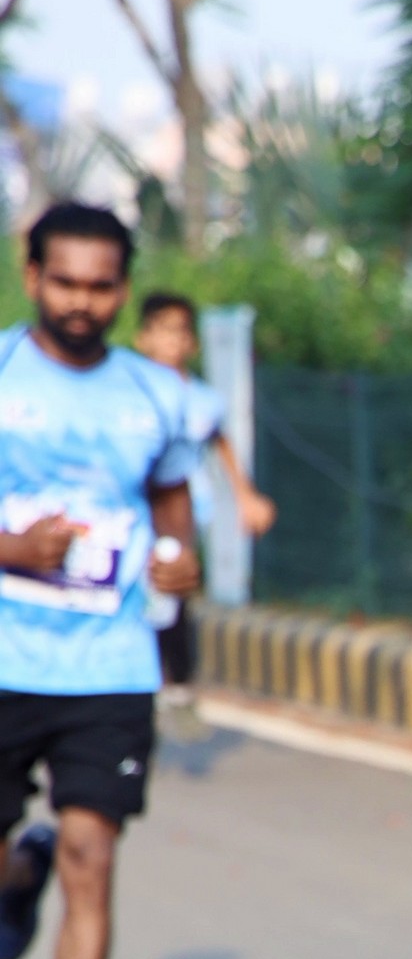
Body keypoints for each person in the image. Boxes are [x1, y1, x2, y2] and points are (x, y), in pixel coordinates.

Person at [0, 203, 203, 959]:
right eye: (65, 283)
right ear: (32, 276)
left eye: (101, 286)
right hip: (6, 657)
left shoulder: (155, 395)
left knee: (95, 855)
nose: (82, 303)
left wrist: (179, 561)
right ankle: (17, 873)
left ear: (123, 289)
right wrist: (13, 550)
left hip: (110, 667)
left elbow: (171, 497)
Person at [132, 290, 275, 701]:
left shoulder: (202, 400)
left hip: (185, 511)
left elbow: (219, 442)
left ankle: (175, 678)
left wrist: (246, 496)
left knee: (172, 583)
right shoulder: (127, 390)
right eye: (164, 331)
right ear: (144, 338)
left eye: (181, 332)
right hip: (136, 509)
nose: (173, 340)